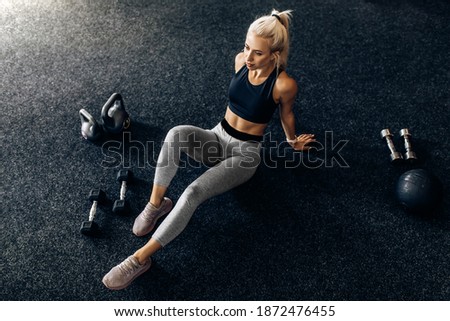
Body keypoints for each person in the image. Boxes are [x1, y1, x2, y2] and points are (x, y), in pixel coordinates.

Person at [102, 9, 316, 290]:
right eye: (246, 47)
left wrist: (292, 141)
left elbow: (286, 115)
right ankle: (156, 206)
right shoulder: (241, 61)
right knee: (176, 133)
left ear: (275, 55)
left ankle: (139, 259)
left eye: (258, 54)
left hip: (245, 155)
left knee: (193, 192)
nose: (248, 58)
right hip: (218, 136)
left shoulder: (283, 84)